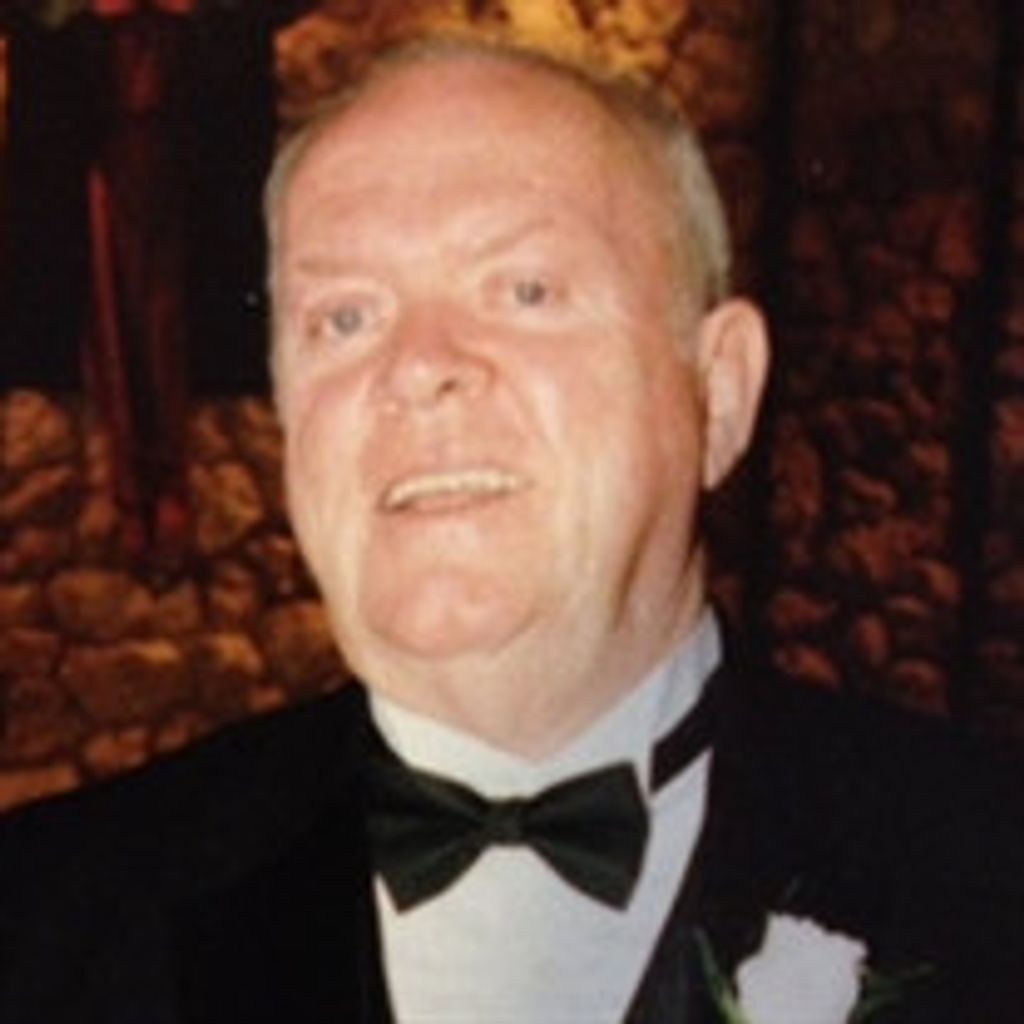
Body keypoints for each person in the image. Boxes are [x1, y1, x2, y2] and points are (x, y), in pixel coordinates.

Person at [2, 38, 1023, 1023]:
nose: (415, 368)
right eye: (344, 318)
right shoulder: (41, 917)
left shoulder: (986, 877)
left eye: (526, 290)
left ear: (717, 395)